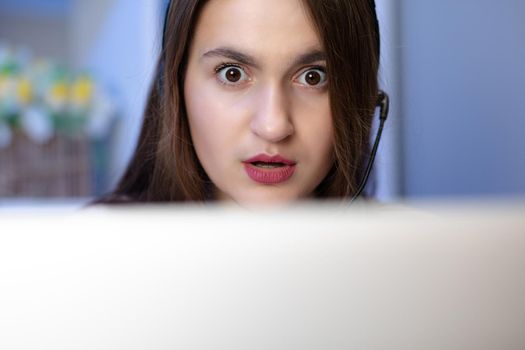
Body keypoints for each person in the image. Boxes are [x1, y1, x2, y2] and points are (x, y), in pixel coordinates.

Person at [98, 0, 381, 206]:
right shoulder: (94, 250)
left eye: (313, 77)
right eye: (232, 74)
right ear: (172, 87)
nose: (273, 126)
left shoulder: (407, 259)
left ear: (362, 98)